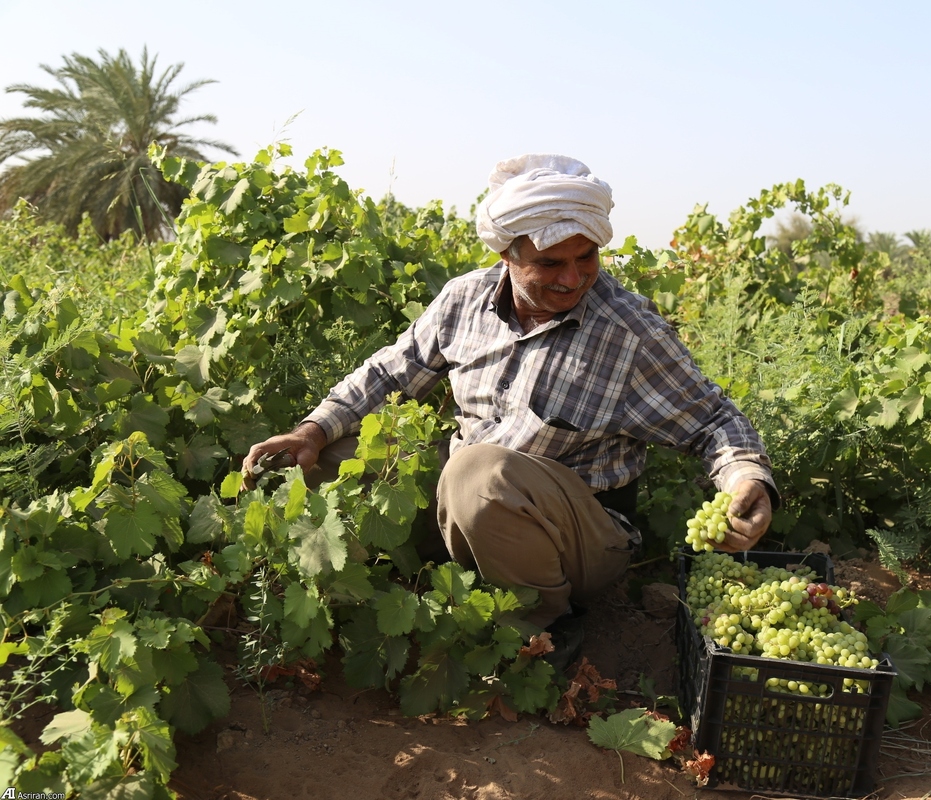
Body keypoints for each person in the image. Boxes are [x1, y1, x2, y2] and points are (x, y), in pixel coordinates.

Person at [242, 153, 778, 649]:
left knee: (478, 473)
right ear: (506, 254)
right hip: (472, 503)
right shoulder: (464, 300)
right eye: (549, 264)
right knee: (330, 458)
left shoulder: (627, 332)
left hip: (581, 540)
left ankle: (542, 629)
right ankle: (375, 590)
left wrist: (745, 479)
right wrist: (311, 430)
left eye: (585, 257)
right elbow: (389, 372)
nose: (573, 278)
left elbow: (713, 419)